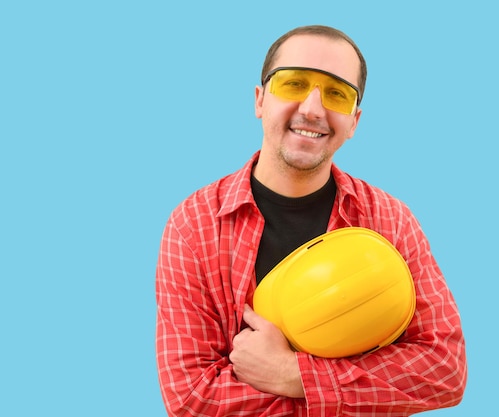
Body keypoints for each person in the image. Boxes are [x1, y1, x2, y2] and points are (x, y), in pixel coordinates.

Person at [156, 25, 467, 416]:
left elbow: (444, 371)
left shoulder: (391, 220)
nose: (312, 109)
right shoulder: (194, 224)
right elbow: (192, 398)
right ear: (259, 100)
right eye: (293, 84)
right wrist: (357, 393)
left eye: (336, 93)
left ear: (354, 121)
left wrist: (294, 375)